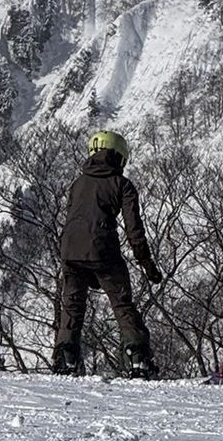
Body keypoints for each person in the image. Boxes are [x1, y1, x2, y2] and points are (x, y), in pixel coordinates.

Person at [52, 129, 163, 378]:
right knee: (122, 304)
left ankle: (65, 358)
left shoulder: (77, 183)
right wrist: (147, 264)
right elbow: (134, 229)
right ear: (119, 156)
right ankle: (138, 359)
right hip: (103, 250)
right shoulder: (122, 184)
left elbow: (71, 217)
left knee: (71, 305)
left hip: (70, 250)